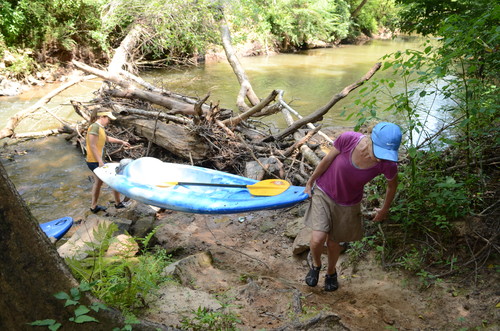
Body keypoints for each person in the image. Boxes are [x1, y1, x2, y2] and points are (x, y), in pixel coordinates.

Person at [303, 122, 402, 292]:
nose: (379, 158)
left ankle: (331, 272)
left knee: (334, 243)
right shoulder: (348, 139)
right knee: (318, 239)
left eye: (385, 155)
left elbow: (392, 185)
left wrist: (384, 209)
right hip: (324, 192)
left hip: (348, 203)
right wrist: (310, 181)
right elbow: (327, 160)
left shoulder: (387, 164)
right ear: (370, 140)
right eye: (378, 152)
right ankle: (316, 266)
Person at [85, 109, 131, 213]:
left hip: (95, 160)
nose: (109, 121)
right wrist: (100, 162)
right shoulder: (94, 127)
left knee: (98, 183)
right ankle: (118, 203)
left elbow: (106, 138)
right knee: (115, 177)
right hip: (94, 161)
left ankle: (94, 207)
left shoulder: (99, 127)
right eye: (108, 118)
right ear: (102, 117)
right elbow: (92, 145)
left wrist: (121, 142)